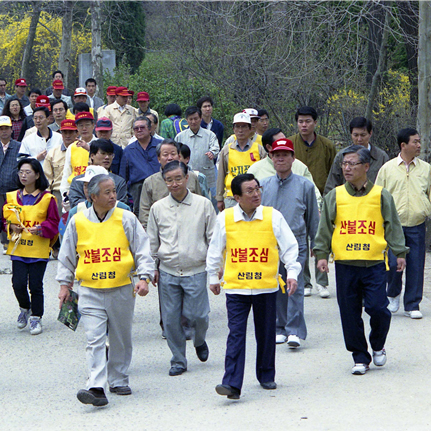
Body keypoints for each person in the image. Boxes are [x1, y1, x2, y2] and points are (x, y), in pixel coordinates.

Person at [57, 174, 155, 407]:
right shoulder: (78, 221)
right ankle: (96, 386)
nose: (113, 196)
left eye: (114, 191)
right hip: (89, 289)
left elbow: (142, 250)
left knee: (120, 337)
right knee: (94, 339)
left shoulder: (126, 218)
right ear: (93, 197)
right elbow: (67, 255)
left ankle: (119, 378)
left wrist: (144, 277)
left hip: (121, 288)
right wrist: (64, 284)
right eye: (108, 192)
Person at [314, 145, 408, 375]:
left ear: (366, 167)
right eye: (344, 164)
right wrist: (321, 255)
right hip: (346, 264)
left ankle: (377, 344)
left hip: (374, 263)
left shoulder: (380, 195)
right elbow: (324, 227)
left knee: (379, 309)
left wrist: (400, 253)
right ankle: (359, 356)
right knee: (349, 312)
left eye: (352, 164)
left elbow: (392, 225)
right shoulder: (335, 195)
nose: (347, 168)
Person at [206, 173, 300, 399]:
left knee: (266, 333)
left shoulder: (272, 216)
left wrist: (292, 272)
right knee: (236, 334)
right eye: (250, 191)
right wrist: (212, 277)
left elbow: (289, 247)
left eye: (257, 189)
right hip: (236, 288)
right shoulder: (225, 218)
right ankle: (231, 384)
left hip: (265, 286)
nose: (256, 194)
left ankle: (266, 374)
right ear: (237, 197)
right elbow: (215, 249)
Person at [147, 160, 216, 376]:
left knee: (199, 316)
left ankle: (199, 340)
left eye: (178, 178)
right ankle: (178, 359)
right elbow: (152, 241)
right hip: (168, 270)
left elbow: (214, 238)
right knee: (170, 319)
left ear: (187, 178)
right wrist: (152, 267)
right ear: (164, 181)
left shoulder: (203, 204)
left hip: (195, 269)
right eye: (169, 180)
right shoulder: (158, 208)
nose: (175, 184)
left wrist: (215, 268)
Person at [261, 138, 320, 347]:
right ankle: (279, 327)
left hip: (296, 242)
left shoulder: (305, 185)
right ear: (271, 158)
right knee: (277, 286)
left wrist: (317, 245)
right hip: (270, 244)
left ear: (293, 158)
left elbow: (313, 217)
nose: (281, 159)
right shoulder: (264, 185)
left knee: (295, 284)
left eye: (285, 155)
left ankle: (294, 330)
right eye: (277, 155)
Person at [375, 128, 431, 319]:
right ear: (403, 145)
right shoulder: (387, 169)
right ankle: (392, 295)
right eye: (415, 142)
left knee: (416, 264)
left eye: (419, 141)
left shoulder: (426, 169)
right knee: (392, 263)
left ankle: (412, 304)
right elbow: (378, 196)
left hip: (416, 223)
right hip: (393, 225)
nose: (419, 145)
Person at [3, 158, 59, 335]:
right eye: (21, 172)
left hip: (38, 249)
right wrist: (10, 227)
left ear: (37, 175)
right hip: (19, 248)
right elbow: (4, 220)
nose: (24, 175)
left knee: (35, 285)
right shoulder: (12, 197)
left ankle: (36, 317)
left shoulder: (47, 198)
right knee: (17, 283)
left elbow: (53, 222)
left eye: (28, 172)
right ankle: (24, 308)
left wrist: (42, 228)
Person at [139, 139, 202, 228]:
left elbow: (200, 205)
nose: (170, 158)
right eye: (165, 155)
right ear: (159, 159)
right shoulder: (150, 182)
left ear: (179, 156)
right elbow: (144, 213)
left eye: (173, 154)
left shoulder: (191, 177)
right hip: (162, 229)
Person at [324, 117, 389, 195]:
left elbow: (388, 186)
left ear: (370, 133)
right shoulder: (341, 156)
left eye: (363, 135)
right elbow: (331, 185)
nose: (359, 139)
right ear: (351, 134)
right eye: (356, 135)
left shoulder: (381, 157)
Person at [216, 112, 266, 212]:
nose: (240, 130)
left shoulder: (259, 149)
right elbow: (221, 175)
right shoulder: (226, 150)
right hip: (232, 197)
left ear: (250, 128)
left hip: (253, 196)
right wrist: (219, 198)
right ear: (233, 129)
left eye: (244, 126)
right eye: (237, 127)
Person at [174, 106, 219, 208]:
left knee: (209, 203)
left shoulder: (209, 135)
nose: (193, 122)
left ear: (200, 119)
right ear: (187, 121)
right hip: (187, 175)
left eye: (196, 118)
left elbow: (216, 147)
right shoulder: (180, 136)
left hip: (207, 174)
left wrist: (212, 152)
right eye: (190, 119)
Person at [288, 106, 336, 196]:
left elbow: (334, 173)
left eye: (308, 121)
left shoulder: (327, 145)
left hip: (323, 194)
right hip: (294, 194)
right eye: (300, 122)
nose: (304, 125)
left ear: (315, 123)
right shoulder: (289, 144)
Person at [120, 117, 162, 216]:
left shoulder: (161, 146)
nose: (139, 130)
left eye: (142, 127)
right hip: (137, 190)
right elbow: (123, 176)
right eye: (136, 128)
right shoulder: (128, 150)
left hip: (159, 186)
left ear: (150, 129)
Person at [68, 139, 128, 209]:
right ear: (92, 155)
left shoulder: (119, 181)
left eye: (110, 154)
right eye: (103, 153)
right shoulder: (78, 181)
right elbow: (75, 204)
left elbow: (121, 205)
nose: (107, 157)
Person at [66, 165, 130, 225]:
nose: (88, 190)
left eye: (92, 186)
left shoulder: (123, 210)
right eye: (85, 185)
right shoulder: (76, 211)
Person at [44, 119, 78, 215]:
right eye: (64, 132)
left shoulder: (82, 150)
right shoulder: (53, 153)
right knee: (58, 225)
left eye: (70, 132)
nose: (67, 135)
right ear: (61, 133)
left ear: (77, 133)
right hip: (58, 193)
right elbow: (47, 179)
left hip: (78, 192)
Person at [60, 111, 97, 197]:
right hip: (75, 190)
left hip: (95, 189)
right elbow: (67, 172)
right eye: (81, 126)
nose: (84, 128)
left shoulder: (100, 144)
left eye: (87, 125)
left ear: (93, 125)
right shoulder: (72, 147)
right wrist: (65, 194)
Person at [0, 116, 21, 253]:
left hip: (13, 187)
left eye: (6, 128)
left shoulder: (18, 146)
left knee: (13, 215)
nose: (4, 131)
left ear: (11, 129)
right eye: (1, 129)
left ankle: (13, 238)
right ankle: (4, 241)